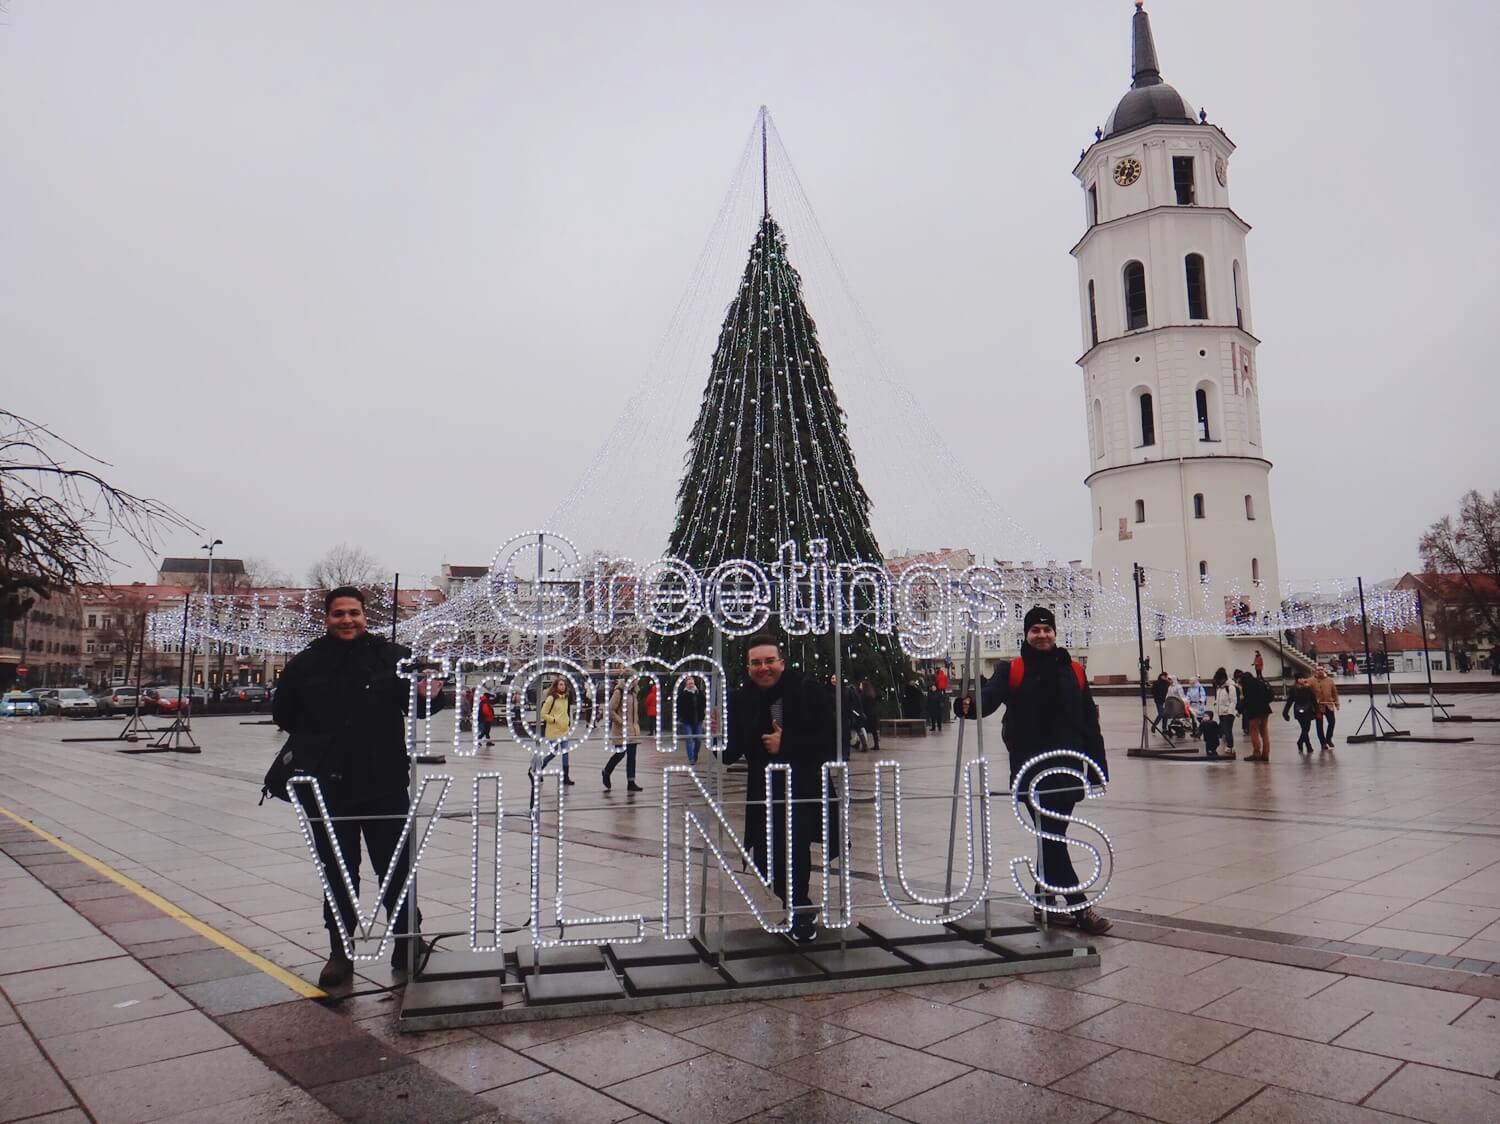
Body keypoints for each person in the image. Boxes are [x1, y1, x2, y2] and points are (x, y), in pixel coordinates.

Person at [272, 586, 426, 987]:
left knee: (397, 869)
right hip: (329, 789)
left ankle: (409, 941)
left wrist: (431, 693)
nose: (347, 620)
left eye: (354, 613)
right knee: (338, 872)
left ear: (365, 616)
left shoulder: (391, 657)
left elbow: (422, 706)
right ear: (327, 618)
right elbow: (284, 713)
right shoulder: (307, 663)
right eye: (338, 613)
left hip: (385, 783)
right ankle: (339, 951)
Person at [956, 606, 1111, 934]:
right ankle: (1081, 908)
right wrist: (967, 705)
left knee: (1051, 838)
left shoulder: (1074, 671)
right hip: (1032, 771)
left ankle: (1044, 901)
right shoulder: (1012, 669)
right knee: (1053, 838)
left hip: (1068, 769)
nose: (1042, 635)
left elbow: (1088, 722)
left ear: (1055, 633)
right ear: (1026, 635)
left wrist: (1097, 769)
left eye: (1047, 629)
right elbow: (989, 698)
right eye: (1035, 630)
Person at [724, 633, 834, 942]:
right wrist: (714, 733)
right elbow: (729, 753)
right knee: (764, 859)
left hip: (802, 787)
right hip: (764, 793)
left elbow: (831, 741)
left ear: (782, 663)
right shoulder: (742, 699)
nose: (764, 668)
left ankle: (799, 911)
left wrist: (787, 743)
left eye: (769, 661)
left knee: (795, 849)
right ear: (748, 668)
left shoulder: (806, 691)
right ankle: (799, 905)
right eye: (756, 663)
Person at [602, 679, 643, 792]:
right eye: (634, 679)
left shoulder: (634, 693)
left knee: (632, 757)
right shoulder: (619, 692)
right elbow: (611, 710)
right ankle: (606, 772)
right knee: (620, 754)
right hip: (621, 730)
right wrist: (621, 722)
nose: (636, 682)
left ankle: (631, 782)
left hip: (633, 730)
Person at [537, 678, 574, 785]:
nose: (563, 686)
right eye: (561, 685)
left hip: (564, 730)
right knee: (553, 753)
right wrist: (553, 719)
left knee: (565, 753)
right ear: (556, 686)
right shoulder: (551, 698)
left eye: (564, 685)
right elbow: (543, 713)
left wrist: (567, 722)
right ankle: (539, 769)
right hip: (553, 731)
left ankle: (565, 777)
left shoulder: (566, 698)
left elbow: (565, 712)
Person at [1241, 665, 1273, 760]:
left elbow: (1246, 700)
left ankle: (1256, 753)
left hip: (1254, 712)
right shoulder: (1261, 683)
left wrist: (1240, 708)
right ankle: (1266, 753)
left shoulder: (1247, 686)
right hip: (1265, 710)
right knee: (1264, 732)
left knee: (1254, 731)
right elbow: (1269, 696)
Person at [1282, 674, 1317, 753]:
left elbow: (1314, 700)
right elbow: (1289, 701)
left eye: (1303, 678)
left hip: (1308, 710)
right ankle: (1308, 746)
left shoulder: (1309, 688)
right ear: (1297, 680)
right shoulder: (1293, 689)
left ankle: (1300, 742)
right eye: (1300, 678)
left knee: (1306, 728)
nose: (1302, 679)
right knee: (1304, 728)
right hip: (1299, 710)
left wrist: (1316, 710)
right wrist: (1285, 712)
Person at [676, 676, 705, 765]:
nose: (691, 685)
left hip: (698, 719)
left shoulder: (699, 693)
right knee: (689, 739)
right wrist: (680, 717)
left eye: (692, 683)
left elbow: (703, 704)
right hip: (687, 721)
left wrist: (703, 715)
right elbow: (679, 707)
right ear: (686, 684)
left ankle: (695, 754)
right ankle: (691, 758)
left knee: (698, 739)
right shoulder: (682, 695)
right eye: (689, 683)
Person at [1311, 666, 1339, 748]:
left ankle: (1328, 738)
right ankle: (1323, 743)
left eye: (1321, 670)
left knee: (1332, 722)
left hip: (1328, 705)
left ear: (1324, 670)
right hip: (1318, 707)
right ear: (1315, 671)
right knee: (1319, 725)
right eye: (1318, 670)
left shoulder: (1329, 680)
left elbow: (1334, 692)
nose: (1320, 671)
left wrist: (1336, 703)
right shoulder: (1310, 681)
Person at [1211, 667, 1236, 755]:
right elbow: (1218, 699)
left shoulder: (1230, 687)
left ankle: (1231, 746)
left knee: (1227, 730)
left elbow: (1233, 701)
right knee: (1224, 730)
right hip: (1221, 713)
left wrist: (1230, 713)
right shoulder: (1219, 688)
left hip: (1228, 713)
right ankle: (1229, 746)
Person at [859, 679, 881, 753]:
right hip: (873, 714)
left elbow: (862, 705)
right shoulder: (871, 694)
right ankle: (876, 745)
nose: (860, 686)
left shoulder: (863, 695)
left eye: (861, 685)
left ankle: (864, 745)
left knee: (862, 730)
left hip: (867, 714)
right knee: (874, 730)